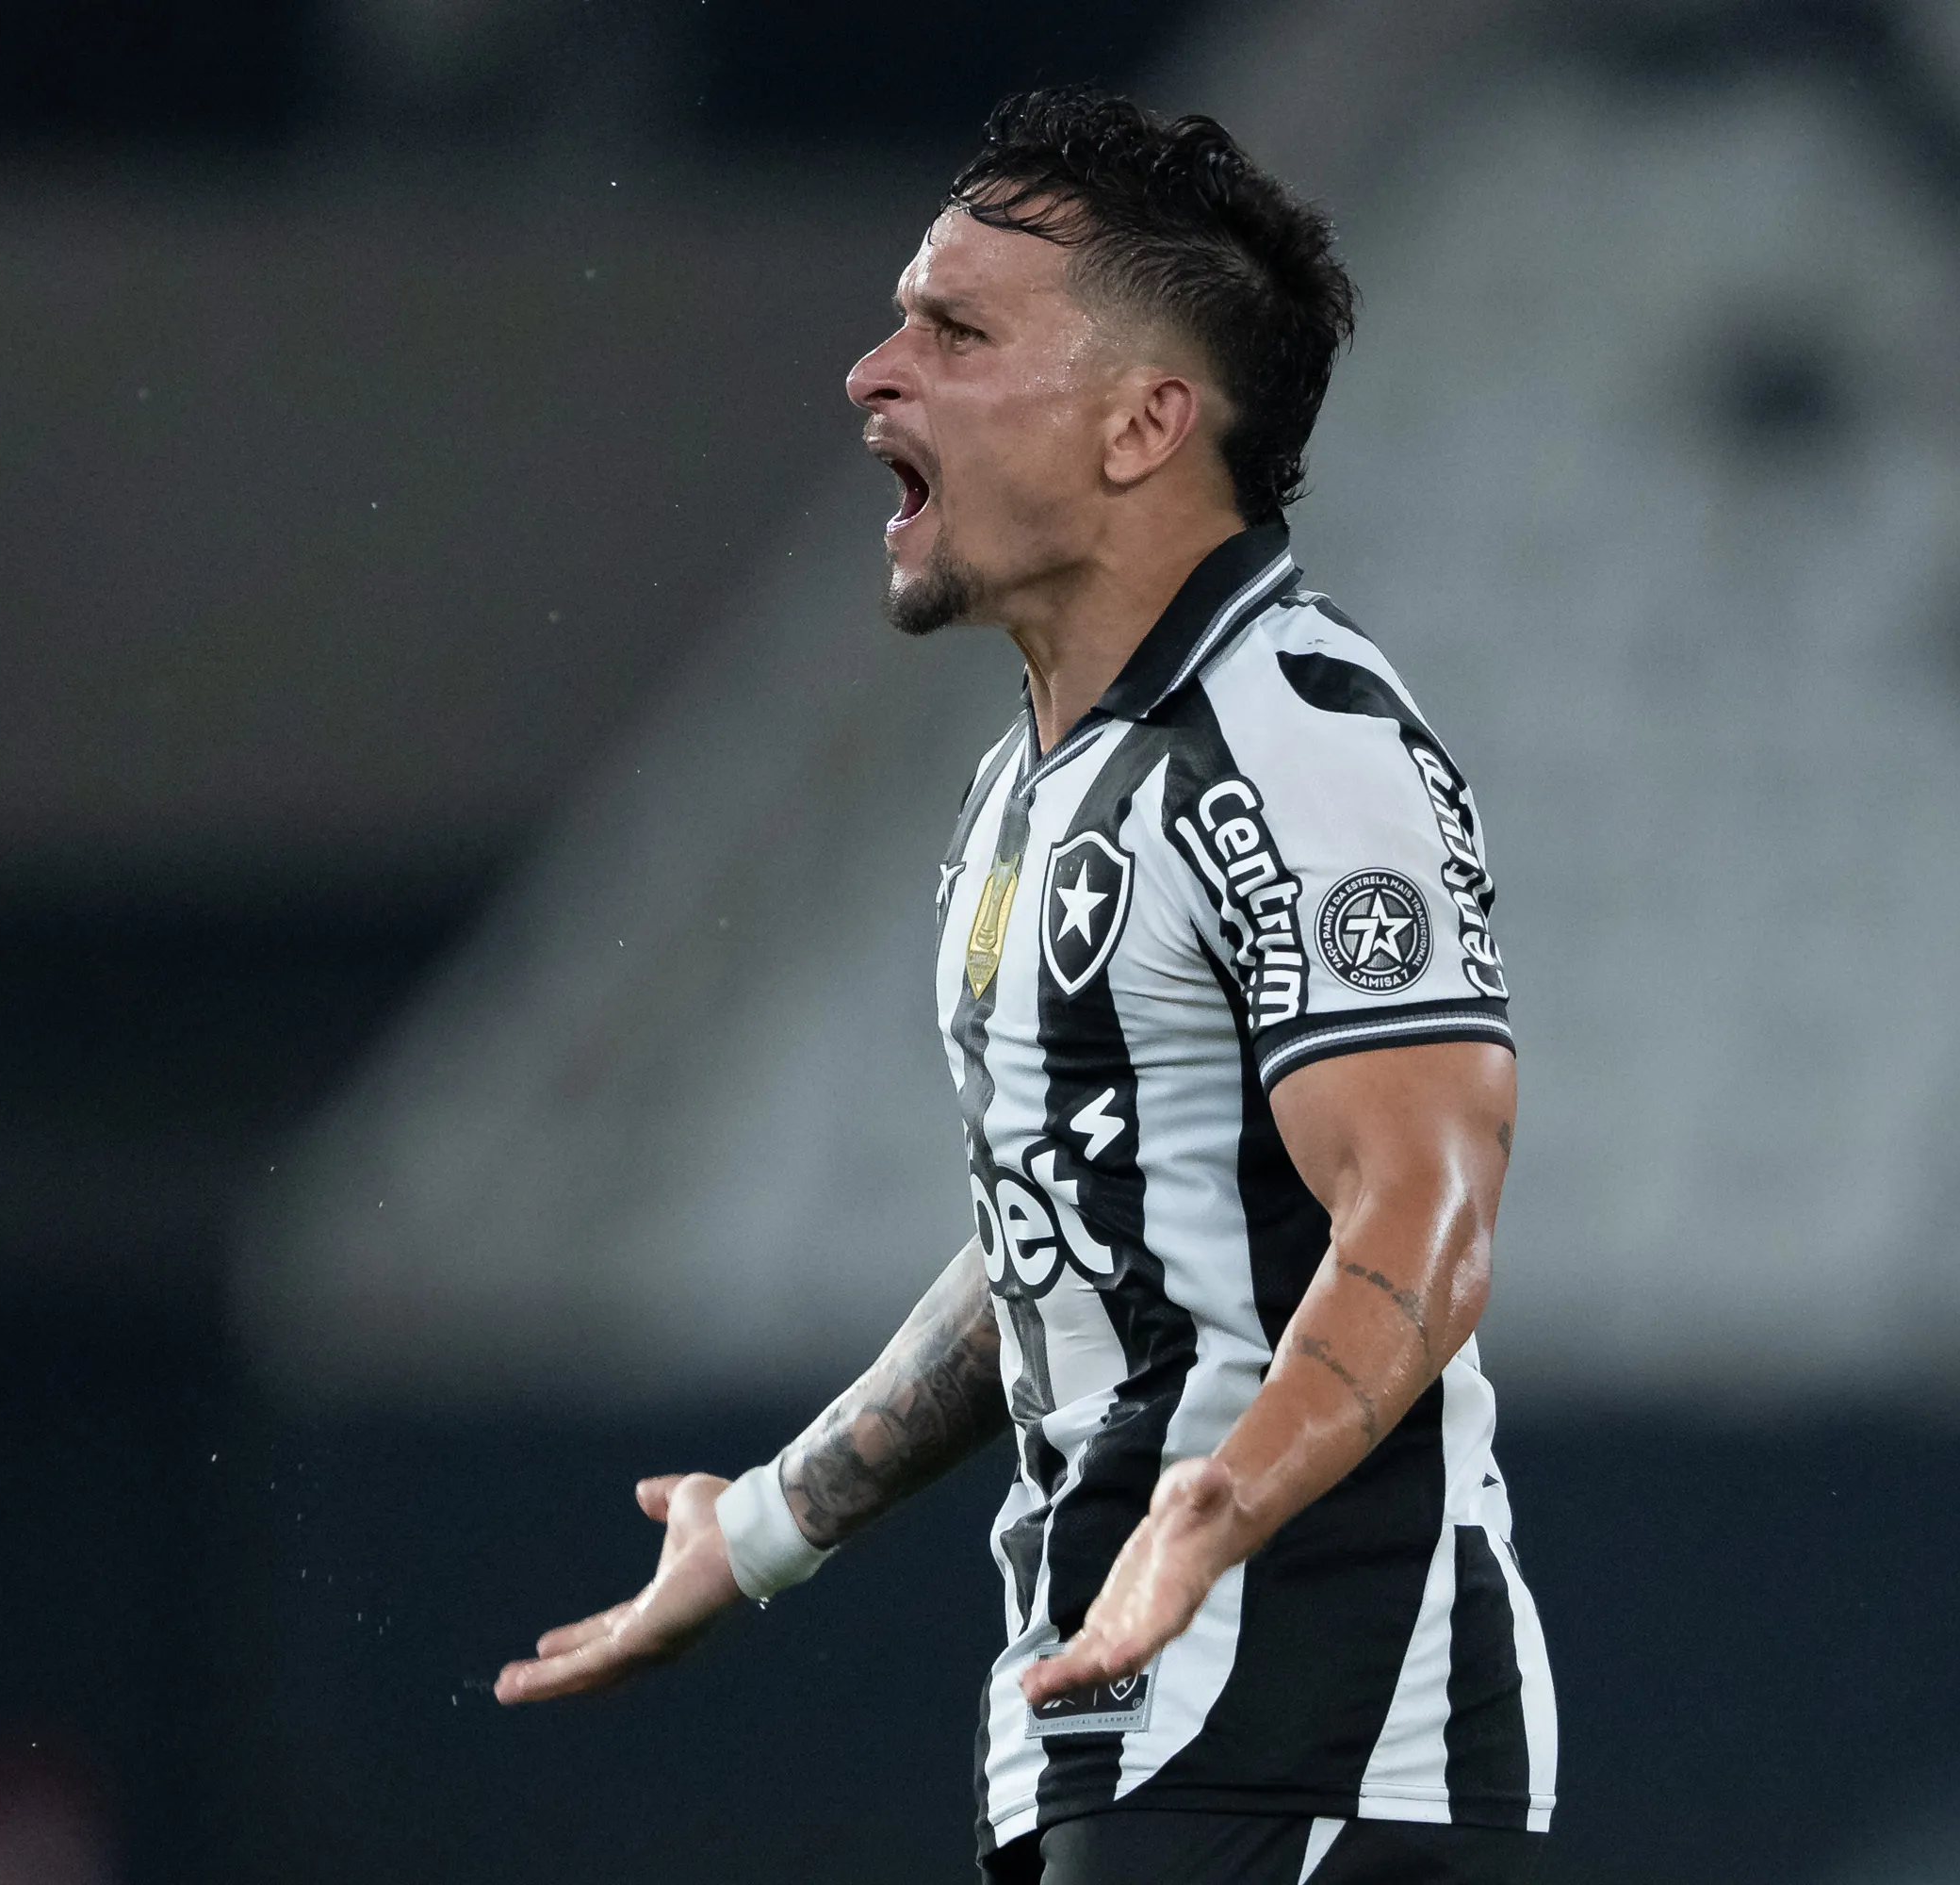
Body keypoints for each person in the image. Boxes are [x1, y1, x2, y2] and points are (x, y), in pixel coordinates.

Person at [493, 89, 1557, 1885]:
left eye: (957, 332)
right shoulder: (1034, 788)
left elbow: (1428, 1213)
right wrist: (765, 1531)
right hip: (1127, 1726)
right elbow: (1066, 1232)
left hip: (1306, 1736)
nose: (871, 373)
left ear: (1145, 423)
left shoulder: (1297, 745)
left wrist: (1208, 1513)